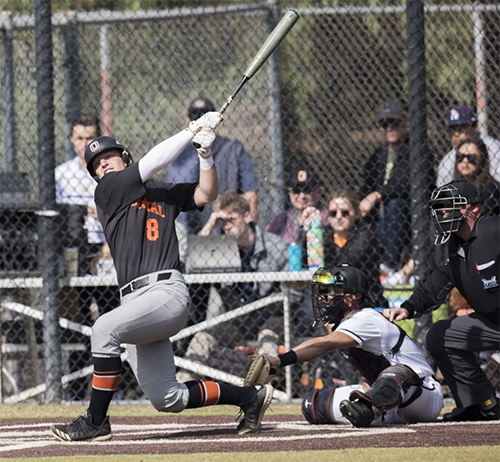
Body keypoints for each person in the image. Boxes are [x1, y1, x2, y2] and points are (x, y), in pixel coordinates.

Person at [50, 111, 273, 442]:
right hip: (135, 302)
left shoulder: (160, 192)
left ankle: (95, 421)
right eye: (96, 164)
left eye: (108, 157)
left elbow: (205, 195)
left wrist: (205, 155)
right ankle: (249, 398)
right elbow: (153, 161)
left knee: (103, 329)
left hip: (165, 293)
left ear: (124, 157)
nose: (103, 165)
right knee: (167, 398)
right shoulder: (108, 192)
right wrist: (190, 130)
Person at [264, 265, 443, 427]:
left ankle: (369, 409)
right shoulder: (346, 322)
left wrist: (279, 361)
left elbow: (323, 344)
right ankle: (370, 408)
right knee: (313, 405)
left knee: (398, 373)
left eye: (335, 291)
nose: (326, 298)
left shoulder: (364, 317)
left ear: (355, 296)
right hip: (388, 402)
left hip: (422, 395)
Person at [384, 180, 500, 422]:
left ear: (474, 209)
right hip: (492, 322)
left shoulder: (494, 231)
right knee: (439, 336)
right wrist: (408, 308)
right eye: (438, 207)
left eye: (448, 206)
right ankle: (482, 404)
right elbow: (435, 283)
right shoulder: (453, 245)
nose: (441, 213)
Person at [177, 191, 288, 382]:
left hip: (269, 316)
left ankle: (259, 387)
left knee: (268, 338)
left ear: (246, 215)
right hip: (236, 318)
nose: (226, 226)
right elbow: (191, 266)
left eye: (231, 219)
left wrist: (269, 309)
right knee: (203, 337)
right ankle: (181, 386)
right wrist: (210, 225)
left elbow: (292, 293)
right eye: (223, 221)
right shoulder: (219, 247)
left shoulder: (274, 245)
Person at [54, 115, 121, 401]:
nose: (83, 144)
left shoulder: (105, 169)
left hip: (107, 246)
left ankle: (119, 385)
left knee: (110, 313)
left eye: (89, 138)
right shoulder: (62, 174)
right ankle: (78, 386)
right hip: (77, 251)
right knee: (80, 320)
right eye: (79, 138)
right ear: (71, 139)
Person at [166, 97, 259, 234]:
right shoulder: (177, 155)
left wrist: (246, 231)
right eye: (195, 118)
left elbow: (250, 195)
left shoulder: (233, 150)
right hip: (184, 236)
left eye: (205, 118)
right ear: (188, 120)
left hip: (224, 234)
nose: (200, 123)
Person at [306, 188, 388, 307]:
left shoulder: (366, 233)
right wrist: (311, 231)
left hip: (365, 301)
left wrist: (323, 237)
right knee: (309, 308)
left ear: (355, 212)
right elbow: (307, 259)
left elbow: (345, 263)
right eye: (333, 213)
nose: (339, 217)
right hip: (333, 297)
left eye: (344, 212)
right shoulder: (326, 233)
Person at [358, 99, 411, 277]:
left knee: (395, 204)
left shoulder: (415, 151)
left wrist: (376, 195)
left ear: (405, 121)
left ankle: (390, 265)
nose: (389, 128)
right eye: (384, 124)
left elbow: (404, 183)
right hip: (380, 222)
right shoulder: (377, 156)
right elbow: (365, 185)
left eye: (393, 122)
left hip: (407, 220)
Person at [266, 166, 329, 250]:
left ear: (319, 192)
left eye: (307, 190)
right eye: (296, 190)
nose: (302, 196)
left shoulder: (329, 217)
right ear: (290, 192)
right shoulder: (281, 220)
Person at [437, 105, 500, 187]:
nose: (456, 133)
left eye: (461, 128)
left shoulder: (494, 148)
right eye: (452, 129)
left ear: (475, 127)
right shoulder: (447, 161)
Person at [452, 134, 500, 215]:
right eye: (460, 156)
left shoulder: (490, 188)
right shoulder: (454, 187)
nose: (465, 161)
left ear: (482, 160)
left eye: (471, 157)